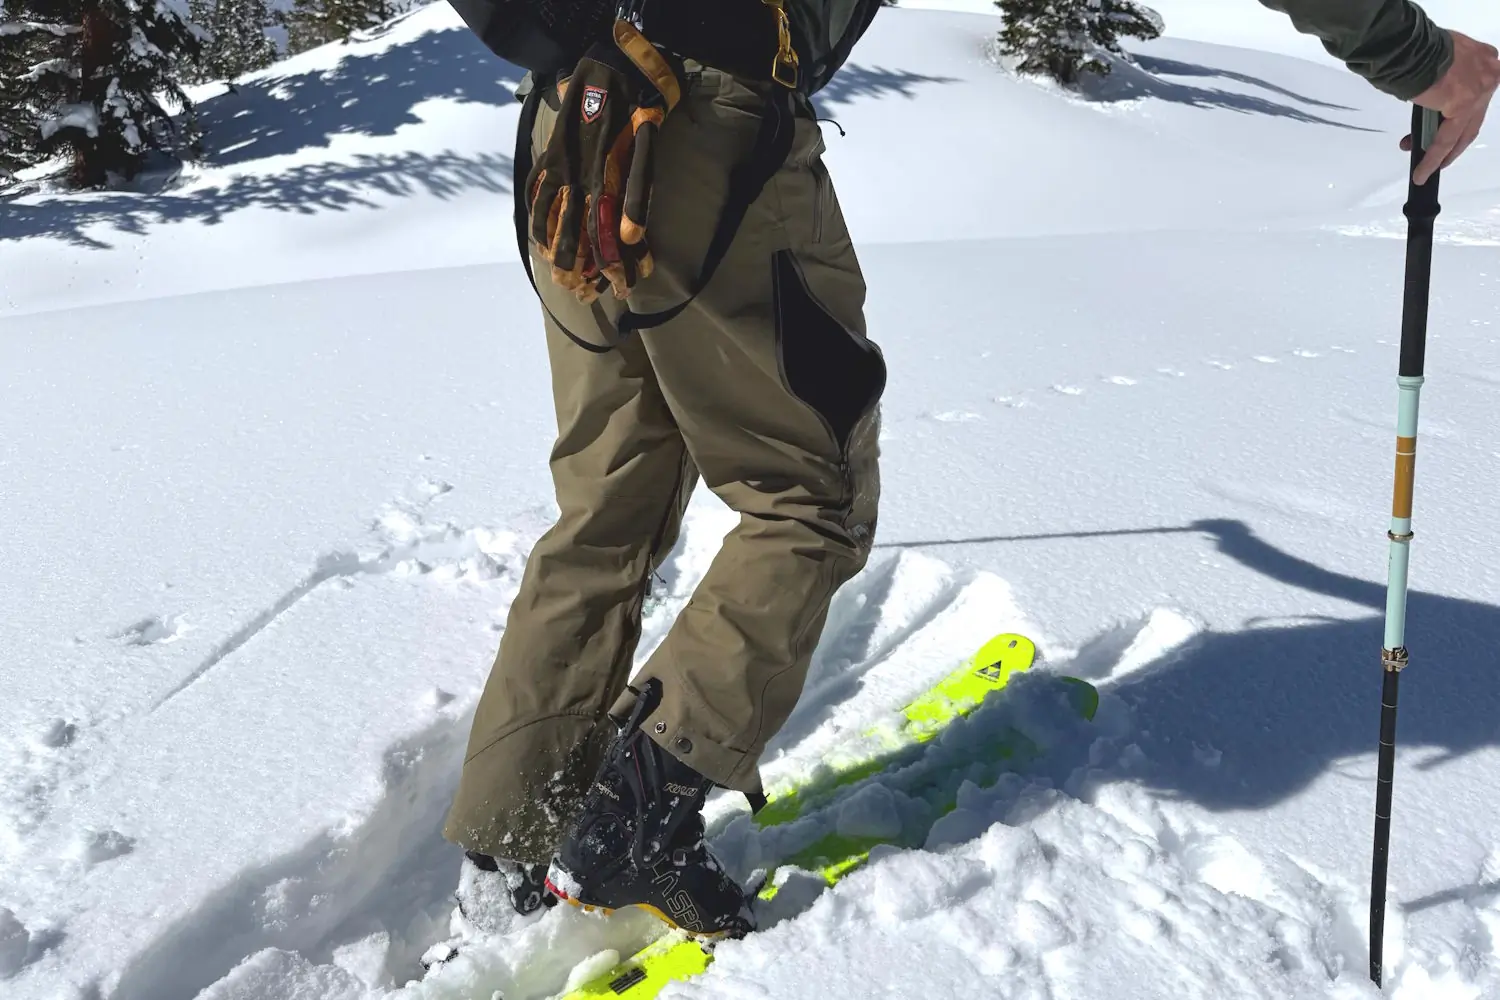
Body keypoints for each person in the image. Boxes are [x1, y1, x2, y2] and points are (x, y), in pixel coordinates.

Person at [436, 0, 1500, 944]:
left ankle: (507, 842)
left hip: (569, 124)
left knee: (606, 508)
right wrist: (1412, 52)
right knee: (811, 500)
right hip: (705, 123)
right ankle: (633, 822)